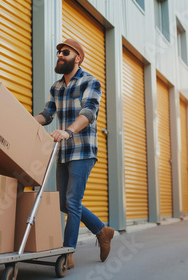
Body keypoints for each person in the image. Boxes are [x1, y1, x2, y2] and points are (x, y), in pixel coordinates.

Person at [34, 38, 115, 269]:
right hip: (63, 151)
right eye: (59, 52)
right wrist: (27, 122)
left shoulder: (91, 82)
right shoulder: (56, 87)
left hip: (83, 149)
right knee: (64, 203)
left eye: (65, 52)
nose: (60, 55)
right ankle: (102, 230)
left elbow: (89, 112)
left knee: (72, 201)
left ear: (77, 58)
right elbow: (48, 114)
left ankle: (68, 252)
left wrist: (68, 131)